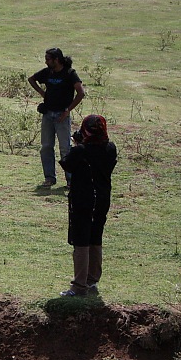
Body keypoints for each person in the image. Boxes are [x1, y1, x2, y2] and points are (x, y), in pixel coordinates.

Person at [58, 114, 117, 297]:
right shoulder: (110, 148)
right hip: (102, 200)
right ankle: (92, 281)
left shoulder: (81, 151)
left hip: (83, 200)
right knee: (95, 237)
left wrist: (78, 145)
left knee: (81, 241)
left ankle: (79, 286)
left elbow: (67, 164)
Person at [28, 48, 85, 188]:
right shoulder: (47, 72)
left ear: (56, 60)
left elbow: (80, 93)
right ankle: (49, 178)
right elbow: (31, 79)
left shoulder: (69, 73)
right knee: (46, 147)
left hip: (61, 116)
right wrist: (42, 92)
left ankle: (71, 180)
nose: (46, 61)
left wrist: (68, 110)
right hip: (48, 114)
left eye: (48, 59)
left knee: (65, 148)